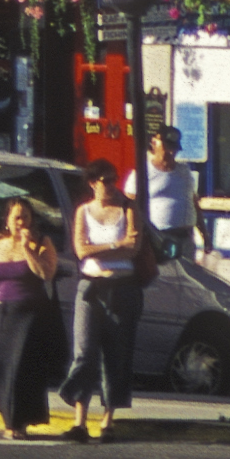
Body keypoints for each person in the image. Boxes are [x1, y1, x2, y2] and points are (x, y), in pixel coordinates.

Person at [57, 165, 152, 437]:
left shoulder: (128, 209)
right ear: (92, 183)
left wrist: (105, 249)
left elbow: (133, 248)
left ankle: (108, 421)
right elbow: (81, 250)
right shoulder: (83, 212)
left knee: (116, 354)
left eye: (113, 180)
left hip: (123, 288)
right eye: (104, 181)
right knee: (85, 352)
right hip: (91, 288)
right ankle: (79, 421)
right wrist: (114, 245)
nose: (110, 185)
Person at [0, 197, 66, 439]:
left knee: (20, 369)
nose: (21, 222)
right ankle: (9, 419)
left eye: (25, 216)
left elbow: (46, 274)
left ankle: (18, 423)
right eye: (16, 217)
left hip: (28, 315)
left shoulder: (42, 243)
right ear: (7, 221)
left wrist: (27, 248)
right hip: (1, 313)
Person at [137, 120, 200, 264]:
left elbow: (194, 202)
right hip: (160, 237)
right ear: (154, 143)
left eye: (174, 149)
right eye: (167, 147)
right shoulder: (143, 172)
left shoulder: (184, 171)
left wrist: (205, 235)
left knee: (187, 278)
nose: (171, 152)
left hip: (185, 236)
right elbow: (130, 205)